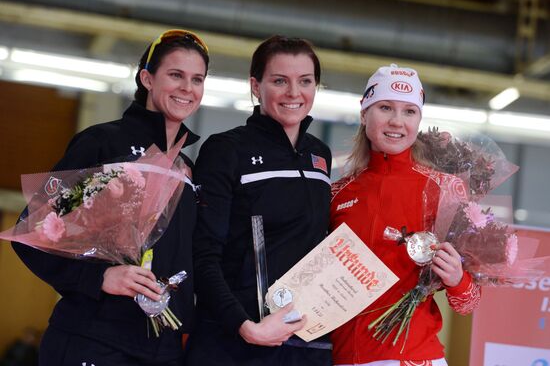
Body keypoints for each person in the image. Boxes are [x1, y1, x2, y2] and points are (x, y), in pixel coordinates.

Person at [11, 29, 209, 366]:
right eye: (175, 75)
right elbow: (33, 234)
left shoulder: (188, 170)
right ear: (147, 78)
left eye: (197, 79)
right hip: (95, 341)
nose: (187, 88)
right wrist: (99, 277)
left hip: (164, 350)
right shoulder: (105, 145)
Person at [184, 35, 332, 366]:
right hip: (235, 344)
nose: (294, 93)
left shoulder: (319, 156)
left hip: (306, 345)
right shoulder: (226, 150)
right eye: (280, 81)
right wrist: (244, 325)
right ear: (256, 85)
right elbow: (203, 254)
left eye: (305, 81)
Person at [330, 64, 481, 365]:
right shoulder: (337, 193)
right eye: (385, 107)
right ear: (364, 113)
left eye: (409, 111)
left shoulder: (445, 190)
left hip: (412, 356)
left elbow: (468, 302)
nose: (397, 121)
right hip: (342, 355)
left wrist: (456, 278)